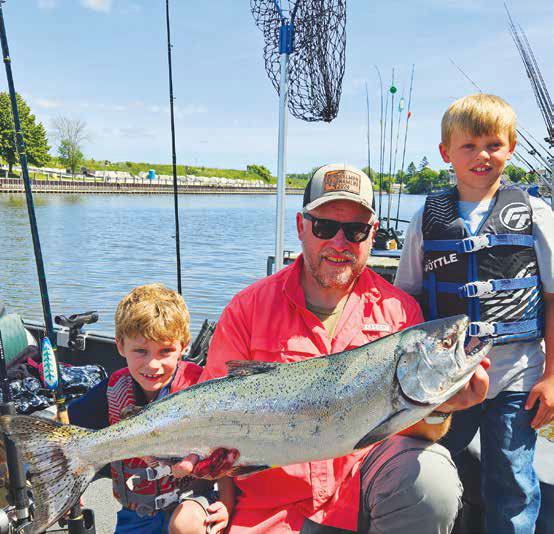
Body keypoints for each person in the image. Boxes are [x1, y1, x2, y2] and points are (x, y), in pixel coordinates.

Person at [173, 163, 490, 533]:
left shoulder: (402, 311)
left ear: (372, 235)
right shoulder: (247, 309)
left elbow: (413, 433)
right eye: (325, 227)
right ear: (301, 227)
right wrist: (209, 494)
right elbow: (212, 415)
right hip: (267, 510)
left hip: (361, 497)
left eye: (355, 231)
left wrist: (441, 407)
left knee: (432, 479)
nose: (339, 244)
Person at [394, 93, 554, 533]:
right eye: (469, 145)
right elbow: (405, 300)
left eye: (493, 144)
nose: (482, 155)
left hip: (516, 380)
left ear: (512, 147)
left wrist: (552, 376)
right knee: (427, 471)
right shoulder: (425, 218)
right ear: (446, 152)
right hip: (445, 384)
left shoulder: (537, 213)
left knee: (514, 484)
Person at [68, 284, 234, 534]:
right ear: (120, 346)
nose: (152, 365)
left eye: (165, 351)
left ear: (184, 346)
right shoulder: (111, 391)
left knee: (185, 525)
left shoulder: (200, 387)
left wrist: (227, 503)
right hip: (136, 514)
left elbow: (227, 451)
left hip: (194, 500)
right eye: (140, 351)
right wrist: (72, 486)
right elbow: (73, 437)